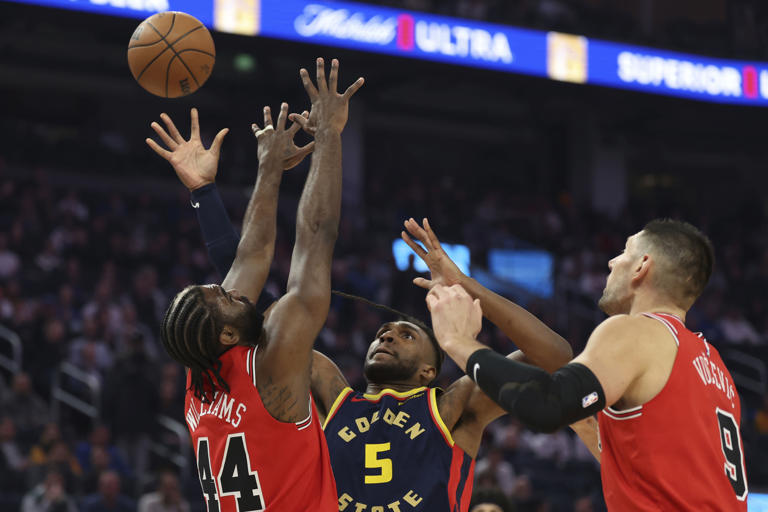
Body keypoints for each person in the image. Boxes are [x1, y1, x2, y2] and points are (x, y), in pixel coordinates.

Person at [169, 123, 577, 508]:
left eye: (406, 336)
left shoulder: (454, 405)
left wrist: (471, 288)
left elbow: (557, 358)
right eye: (385, 331)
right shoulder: (330, 392)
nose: (387, 336)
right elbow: (248, 311)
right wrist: (210, 192)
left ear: (428, 373)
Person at [146, 57, 363, 511]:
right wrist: (328, 136)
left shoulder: (200, 372)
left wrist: (268, 169)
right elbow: (316, 239)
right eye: (224, 296)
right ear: (226, 333)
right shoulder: (273, 362)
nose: (231, 289)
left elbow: (251, 255)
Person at [426, 219, 749, 510]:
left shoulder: (636, 330)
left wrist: (459, 341)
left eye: (624, 251)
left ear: (642, 267)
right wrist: (585, 423)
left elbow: (546, 405)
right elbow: (648, 472)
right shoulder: (713, 365)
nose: (611, 261)